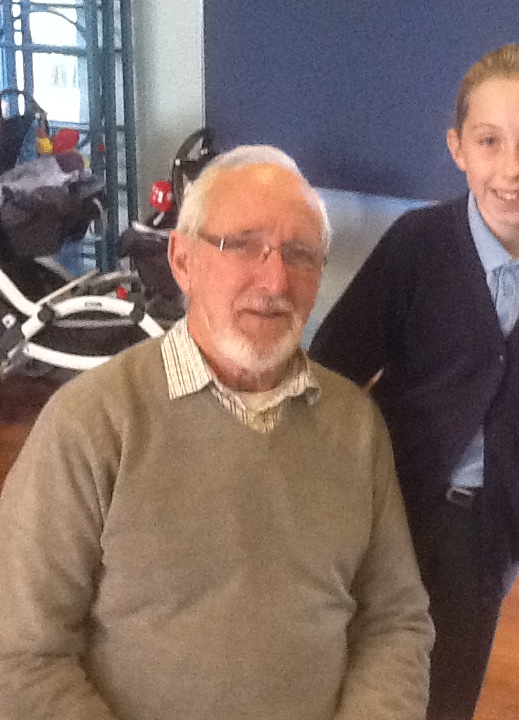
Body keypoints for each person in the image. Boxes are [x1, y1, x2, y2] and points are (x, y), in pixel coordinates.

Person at [0, 145, 434, 720]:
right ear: (182, 259)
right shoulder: (90, 424)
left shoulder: (354, 425)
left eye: (300, 254)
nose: (275, 278)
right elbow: (22, 656)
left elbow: (395, 623)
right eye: (243, 245)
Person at [309, 43, 519, 719]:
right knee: (353, 678)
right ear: (459, 149)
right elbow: (329, 372)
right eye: (490, 141)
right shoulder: (417, 247)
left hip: (488, 534)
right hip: (383, 515)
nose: (511, 169)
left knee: (443, 698)